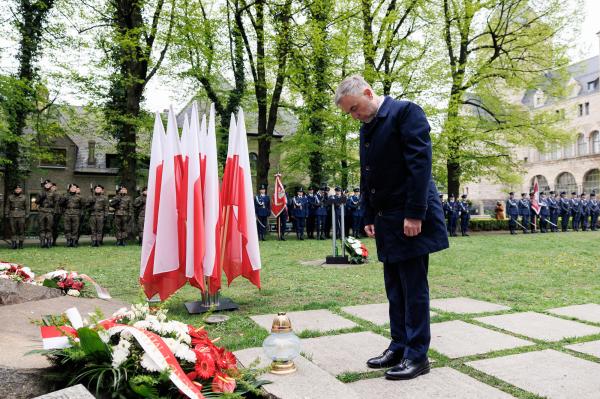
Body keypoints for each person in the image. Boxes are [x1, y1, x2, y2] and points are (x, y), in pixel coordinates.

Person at [336, 75, 448, 380]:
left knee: (413, 288)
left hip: (409, 216)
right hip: (386, 218)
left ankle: (417, 355)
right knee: (395, 288)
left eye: (356, 108)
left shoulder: (406, 112)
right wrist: (368, 215)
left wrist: (415, 214)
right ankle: (398, 345)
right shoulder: (368, 127)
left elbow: (419, 163)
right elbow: (368, 175)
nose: (355, 115)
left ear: (368, 93)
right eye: (350, 113)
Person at [5, 185, 28, 249]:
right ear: (14, 190)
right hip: (12, 214)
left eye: (19, 189)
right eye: (16, 189)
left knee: (21, 230)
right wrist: (6, 214)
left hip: (21, 214)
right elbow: (7, 206)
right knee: (13, 230)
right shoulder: (10, 197)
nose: (18, 190)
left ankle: (21, 243)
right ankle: (14, 243)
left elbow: (27, 206)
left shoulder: (24, 197)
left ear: (21, 190)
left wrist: (27, 214)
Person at [38, 179, 58, 248]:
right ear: (44, 185)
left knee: (49, 227)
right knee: (42, 227)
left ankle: (49, 241)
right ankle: (42, 241)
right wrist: (41, 197)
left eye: (48, 184)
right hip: (42, 211)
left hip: (50, 211)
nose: (47, 185)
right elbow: (37, 202)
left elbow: (56, 203)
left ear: (50, 185)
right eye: (46, 184)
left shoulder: (53, 193)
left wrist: (54, 211)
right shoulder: (40, 192)